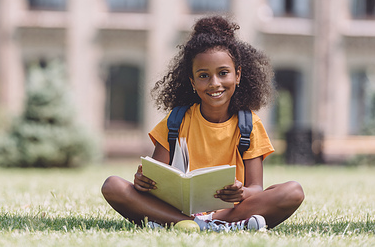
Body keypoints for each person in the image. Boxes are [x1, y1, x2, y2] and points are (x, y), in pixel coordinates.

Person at [101, 16, 304, 232]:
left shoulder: (249, 124)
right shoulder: (176, 121)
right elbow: (156, 180)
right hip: (179, 209)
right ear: (192, 81)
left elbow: (256, 188)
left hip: (229, 209)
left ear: (238, 75)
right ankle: (205, 225)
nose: (214, 83)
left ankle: (187, 224)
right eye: (204, 75)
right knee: (112, 185)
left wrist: (241, 192)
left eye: (223, 73)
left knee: (293, 191)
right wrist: (143, 181)